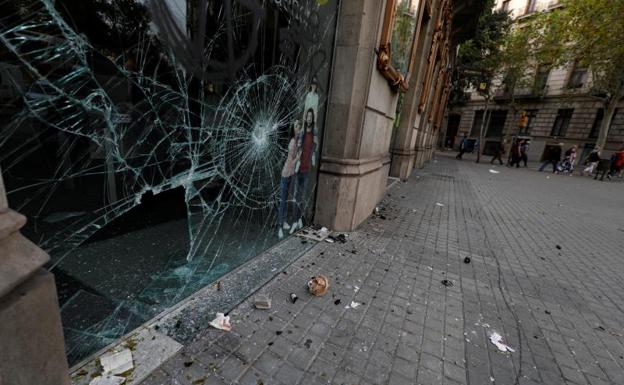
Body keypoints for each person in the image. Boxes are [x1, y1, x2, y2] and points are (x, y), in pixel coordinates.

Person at [290, 108, 318, 234]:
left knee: (302, 196)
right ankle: (296, 220)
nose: (309, 119)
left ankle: (299, 219)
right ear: (305, 118)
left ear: (313, 119)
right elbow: (298, 147)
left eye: (311, 117)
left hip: (307, 169)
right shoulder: (302, 132)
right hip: (299, 168)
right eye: (308, 116)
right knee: (296, 196)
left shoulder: (314, 131)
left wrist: (313, 156)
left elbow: (315, 146)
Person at [277, 121, 301, 239]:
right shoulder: (292, 143)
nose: (298, 128)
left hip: (290, 174)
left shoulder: (297, 142)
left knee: (285, 199)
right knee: (282, 201)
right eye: (296, 126)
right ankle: (280, 226)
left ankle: (285, 222)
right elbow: (291, 162)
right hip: (286, 174)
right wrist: (298, 157)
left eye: (299, 126)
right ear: (293, 129)